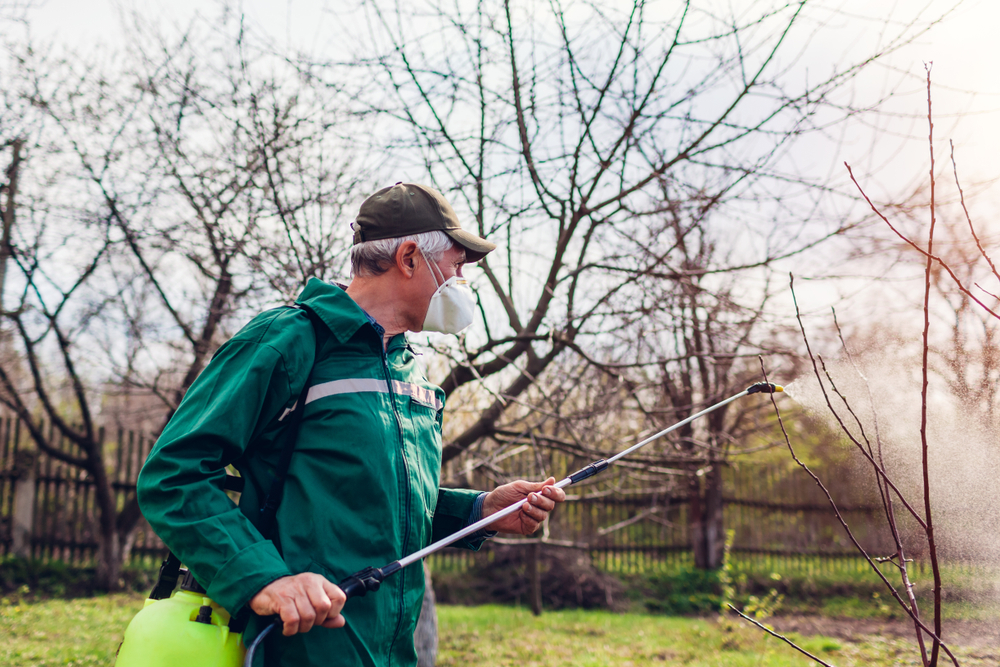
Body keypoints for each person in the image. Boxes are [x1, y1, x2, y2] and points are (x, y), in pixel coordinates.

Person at [136, 182, 566, 666]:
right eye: (457, 263)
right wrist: (264, 578)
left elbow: (368, 501)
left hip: (393, 648)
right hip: (300, 647)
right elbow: (174, 475)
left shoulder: (409, 366)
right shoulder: (286, 340)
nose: (462, 279)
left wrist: (480, 512)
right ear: (408, 258)